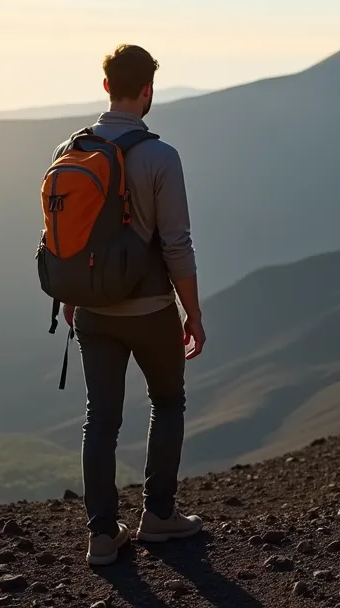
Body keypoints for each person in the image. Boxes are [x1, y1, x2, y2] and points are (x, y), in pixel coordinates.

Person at [55, 44, 206, 566]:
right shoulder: (161, 157)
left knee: (100, 418)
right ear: (148, 91)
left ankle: (101, 534)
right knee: (167, 402)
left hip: (92, 310)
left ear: (104, 87)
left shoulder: (73, 150)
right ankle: (158, 516)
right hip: (150, 310)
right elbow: (176, 244)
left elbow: (66, 239)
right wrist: (193, 312)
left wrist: (74, 296)